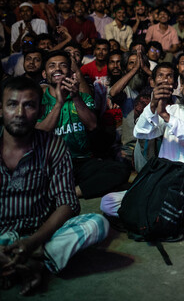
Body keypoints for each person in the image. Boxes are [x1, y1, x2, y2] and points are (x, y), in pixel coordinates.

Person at [0, 76, 109, 295]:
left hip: (40, 231)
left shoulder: (53, 145)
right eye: (12, 104)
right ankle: (24, 262)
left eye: (29, 105)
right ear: (1, 109)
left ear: (41, 111)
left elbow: (67, 203)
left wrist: (32, 241)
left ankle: (34, 261)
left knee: (97, 223)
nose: (20, 113)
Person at [101, 68, 184, 231]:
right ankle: (177, 216)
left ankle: (157, 214)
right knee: (107, 202)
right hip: (164, 185)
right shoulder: (171, 110)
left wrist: (166, 116)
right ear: (181, 87)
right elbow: (141, 132)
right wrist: (153, 106)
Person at [36, 51, 130, 199]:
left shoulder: (83, 97)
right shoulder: (39, 100)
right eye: (52, 66)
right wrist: (59, 103)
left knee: (120, 170)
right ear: (44, 74)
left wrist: (75, 97)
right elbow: (39, 132)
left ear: (71, 72)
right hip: (51, 163)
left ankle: (71, 193)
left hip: (82, 162)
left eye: (63, 65)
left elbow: (92, 125)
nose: (57, 69)